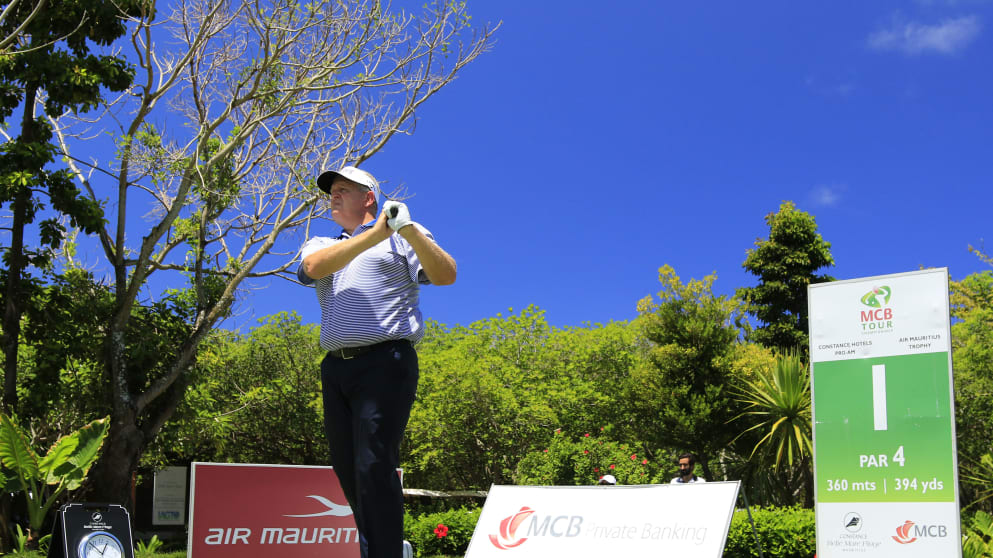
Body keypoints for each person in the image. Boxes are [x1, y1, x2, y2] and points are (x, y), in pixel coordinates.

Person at [298, 165, 456, 558]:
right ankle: (386, 547)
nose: (332, 196)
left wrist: (407, 230)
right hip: (336, 368)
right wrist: (373, 235)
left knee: (373, 465)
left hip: (385, 362)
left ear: (369, 197)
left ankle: (383, 552)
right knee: (348, 470)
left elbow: (446, 274)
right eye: (330, 191)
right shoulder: (320, 242)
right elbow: (313, 269)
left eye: (342, 189)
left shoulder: (404, 236)